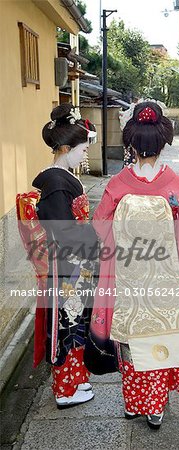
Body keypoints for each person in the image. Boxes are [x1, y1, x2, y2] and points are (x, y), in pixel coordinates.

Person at [90, 101, 179, 429]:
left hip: (129, 280)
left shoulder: (119, 184)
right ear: (162, 143)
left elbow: (99, 224)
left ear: (131, 145)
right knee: (160, 336)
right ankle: (154, 406)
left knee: (131, 337)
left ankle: (134, 404)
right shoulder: (175, 185)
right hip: (165, 281)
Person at [16, 103, 99, 408]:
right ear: (65, 148)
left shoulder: (59, 176)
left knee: (76, 321)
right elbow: (63, 231)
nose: (84, 154)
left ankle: (75, 378)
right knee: (66, 324)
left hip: (73, 264)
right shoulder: (54, 181)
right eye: (80, 148)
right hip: (65, 266)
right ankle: (65, 390)